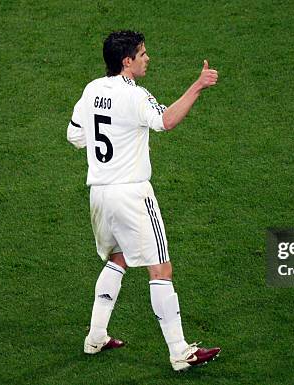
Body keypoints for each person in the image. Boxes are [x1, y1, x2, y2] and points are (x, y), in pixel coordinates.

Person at [66, 30, 220, 371]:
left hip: (99, 195)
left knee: (118, 257)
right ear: (127, 61)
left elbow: (74, 135)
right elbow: (165, 121)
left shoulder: (91, 89)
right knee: (160, 267)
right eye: (142, 53)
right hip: (132, 194)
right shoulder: (134, 96)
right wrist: (197, 86)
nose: (147, 58)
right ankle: (180, 352)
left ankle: (96, 336)